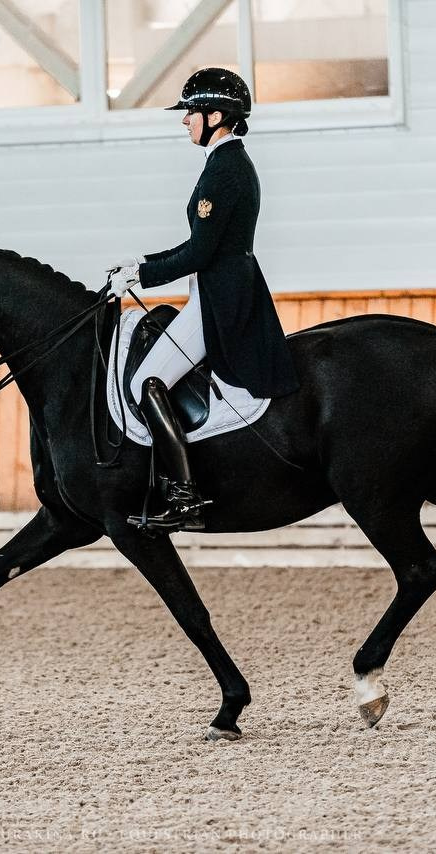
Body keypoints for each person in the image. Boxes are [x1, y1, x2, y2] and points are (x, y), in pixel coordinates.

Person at [107, 67, 300, 532]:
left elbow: (200, 252)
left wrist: (146, 275)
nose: (185, 121)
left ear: (216, 115)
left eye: (191, 112)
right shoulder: (226, 162)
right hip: (218, 290)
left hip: (220, 300)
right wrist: (142, 262)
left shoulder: (226, 168)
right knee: (150, 380)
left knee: (146, 382)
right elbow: (199, 242)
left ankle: (183, 496)